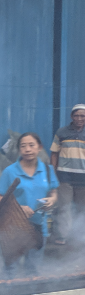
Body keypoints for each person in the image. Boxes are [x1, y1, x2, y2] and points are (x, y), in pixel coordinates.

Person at [0, 133, 58, 276]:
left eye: (31, 145)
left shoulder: (48, 170)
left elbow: (53, 192)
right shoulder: (10, 172)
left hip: (39, 228)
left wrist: (52, 200)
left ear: (39, 148)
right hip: (13, 229)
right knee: (11, 271)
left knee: (33, 270)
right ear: (19, 150)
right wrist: (18, 209)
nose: (27, 149)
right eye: (23, 146)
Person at [50, 103, 85, 246]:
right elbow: (54, 153)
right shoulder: (62, 132)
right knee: (64, 206)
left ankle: (79, 236)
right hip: (64, 176)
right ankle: (63, 235)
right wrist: (53, 171)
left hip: (83, 177)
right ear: (71, 117)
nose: (79, 118)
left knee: (81, 208)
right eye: (76, 115)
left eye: (82, 116)